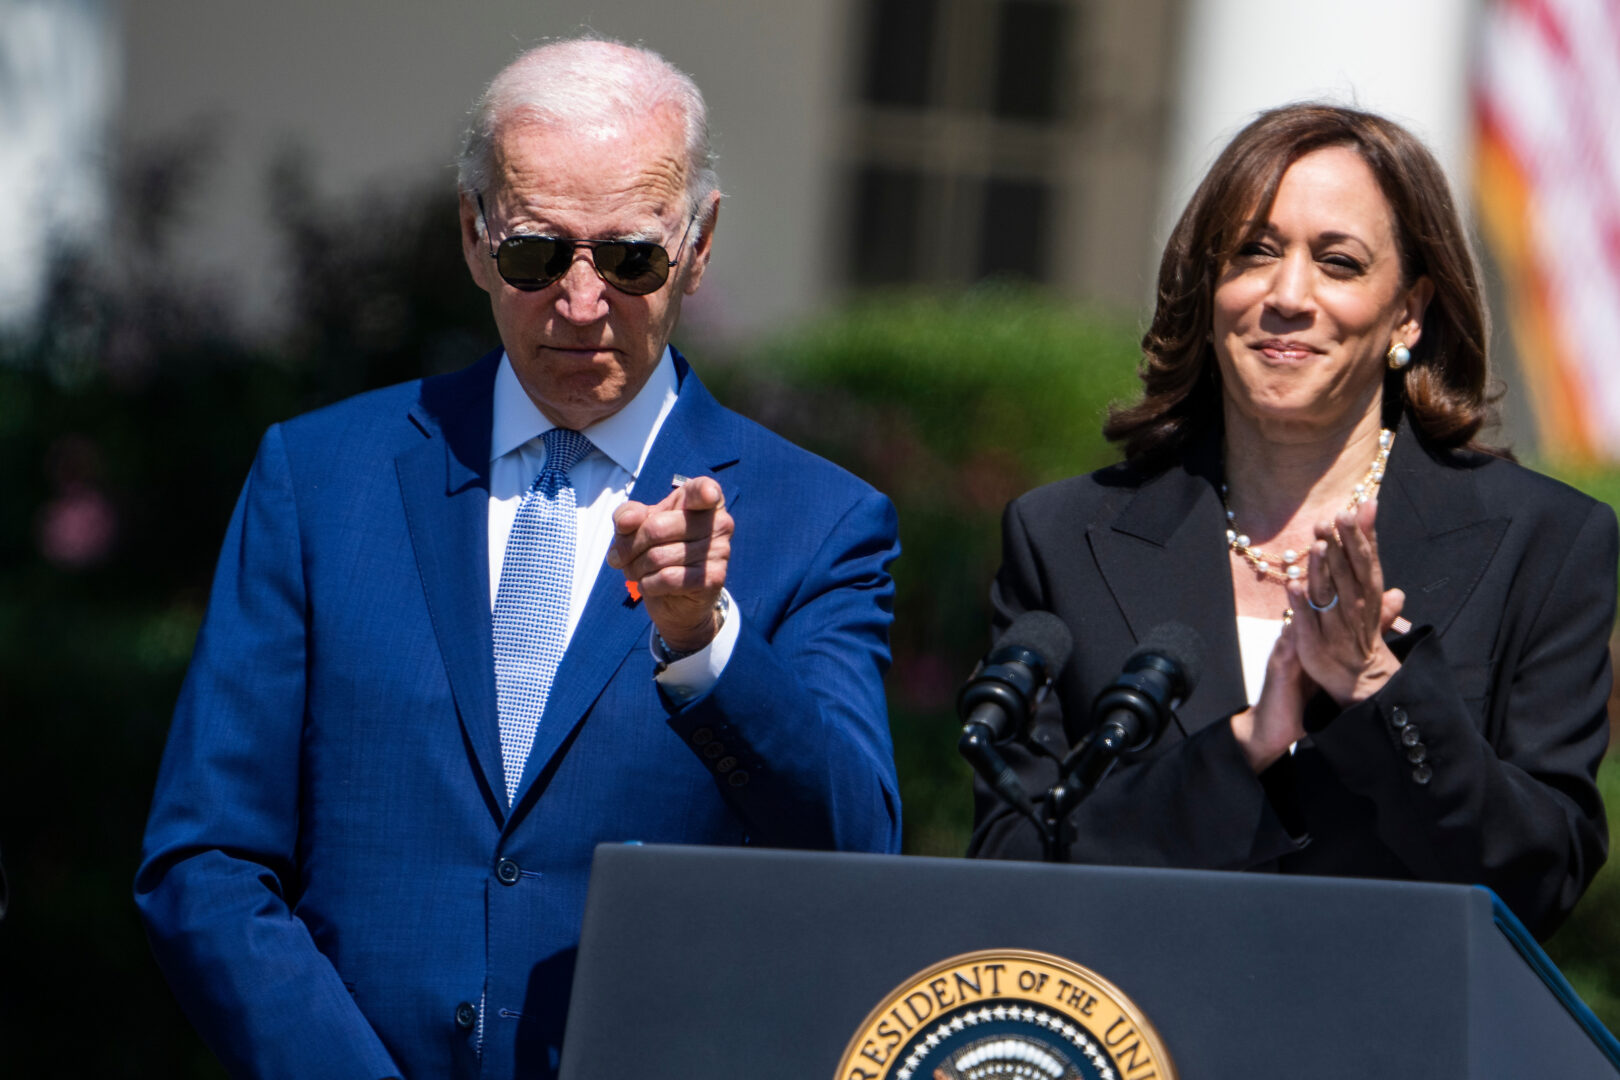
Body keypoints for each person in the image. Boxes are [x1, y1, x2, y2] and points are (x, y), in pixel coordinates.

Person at [136, 36, 901, 1080]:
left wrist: (706, 643)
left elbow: (857, 859)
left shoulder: (819, 521)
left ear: (700, 244)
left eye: (630, 257)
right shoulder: (320, 479)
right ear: (473, 234)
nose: (582, 302)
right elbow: (207, 858)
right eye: (538, 254)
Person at [968, 103, 1613, 941]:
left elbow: (1541, 876)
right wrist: (1244, 746)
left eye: (1338, 262)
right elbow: (1011, 864)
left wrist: (1381, 689)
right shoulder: (1063, 537)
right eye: (1254, 253)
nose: (1287, 295)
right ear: (1210, 290)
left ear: (1409, 312)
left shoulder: (1545, 542)